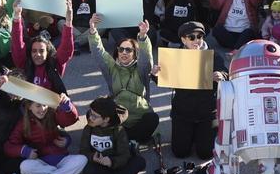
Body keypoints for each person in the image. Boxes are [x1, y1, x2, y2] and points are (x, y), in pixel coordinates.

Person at [87, 15, 159, 143]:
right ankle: (127, 140)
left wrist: (142, 37)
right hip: (117, 118)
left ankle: (123, 140)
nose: (124, 52)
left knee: (152, 119)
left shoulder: (142, 69)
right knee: (91, 114)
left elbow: (146, 58)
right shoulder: (111, 66)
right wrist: (93, 30)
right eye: (121, 49)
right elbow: (99, 52)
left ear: (135, 53)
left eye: (128, 50)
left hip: (139, 116)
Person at [165, 21, 228, 165]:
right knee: (180, 152)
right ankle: (191, 134)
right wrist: (156, 74)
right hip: (183, 112)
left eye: (199, 36)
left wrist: (221, 75)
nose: (196, 40)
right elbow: (162, 79)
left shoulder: (213, 55)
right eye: (191, 37)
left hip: (207, 112)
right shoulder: (175, 57)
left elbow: (226, 73)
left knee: (205, 154)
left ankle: (199, 134)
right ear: (183, 39)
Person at [5, 97, 86, 174]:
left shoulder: (52, 114)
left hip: (61, 158)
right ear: (29, 107)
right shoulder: (23, 123)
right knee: (24, 167)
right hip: (41, 162)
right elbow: (9, 146)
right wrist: (25, 151)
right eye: (38, 106)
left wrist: (67, 106)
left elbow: (70, 120)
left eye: (44, 105)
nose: (42, 109)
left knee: (82, 159)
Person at [79, 96, 147, 174]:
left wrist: (111, 162)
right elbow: (83, 150)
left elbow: (124, 155)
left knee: (140, 162)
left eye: (95, 116)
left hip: (116, 164)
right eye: (90, 113)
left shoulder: (118, 130)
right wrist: (92, 157)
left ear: (106, 119)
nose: (90, 118)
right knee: (87, 170)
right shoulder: (89, 128)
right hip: (98, 165)